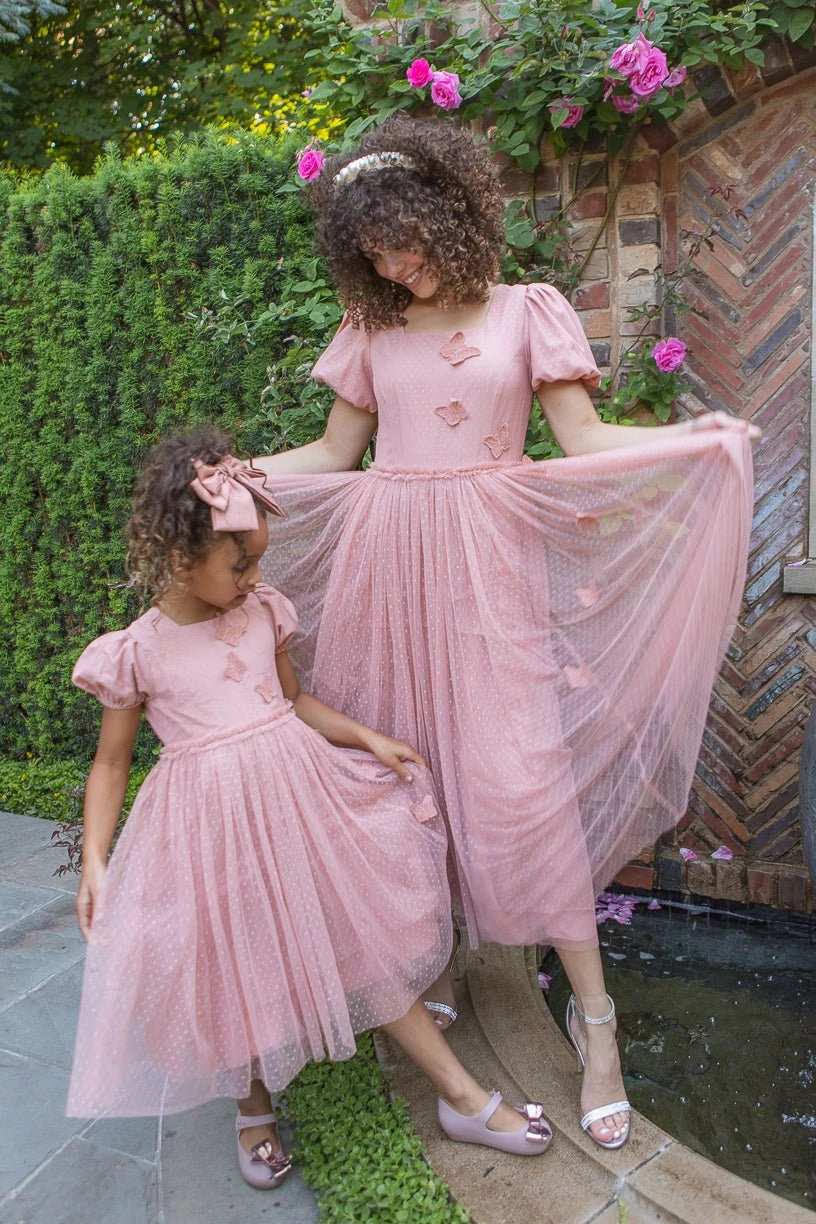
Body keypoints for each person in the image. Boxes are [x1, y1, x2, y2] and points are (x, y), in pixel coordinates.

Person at [254, 114, 757, 1150]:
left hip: (492, 581)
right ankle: (430, 963)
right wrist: (236, 475)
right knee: (405, 775)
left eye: (402, 242)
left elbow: (582, 436)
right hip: (388, 579)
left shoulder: (531, 310)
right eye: (371, 252)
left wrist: (690, 437)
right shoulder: (369, 327)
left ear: (445, 214)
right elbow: (334, 455)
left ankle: (598, 1024)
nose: (391, 266)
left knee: (524, 792)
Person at [66, 427, 553, 1189]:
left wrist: (368, 737)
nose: (255, 576)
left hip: (302, 804)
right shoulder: (135, 651)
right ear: (180, 557)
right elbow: (111, 762)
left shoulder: (263, 611)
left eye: (258, 559)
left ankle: (459, 1095)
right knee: (234, 968)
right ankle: (252, 1107)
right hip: (209, 829)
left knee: (358, 940)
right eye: (239, 564)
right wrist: (96, 862)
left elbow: (295, 702)